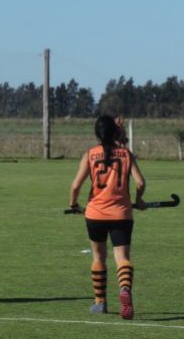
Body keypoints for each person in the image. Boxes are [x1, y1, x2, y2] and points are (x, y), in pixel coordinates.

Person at [68, 115, 146, 320]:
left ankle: (100, 302)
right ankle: (125, 290)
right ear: (116, 132)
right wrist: (139, 200)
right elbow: (140, 182)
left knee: (98, 257)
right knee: (122, 257)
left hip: (95, 214)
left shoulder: (90, 154)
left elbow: (75, 186)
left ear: (96, 133)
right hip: (122, 213)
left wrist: (74, 205)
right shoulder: (126, 154)